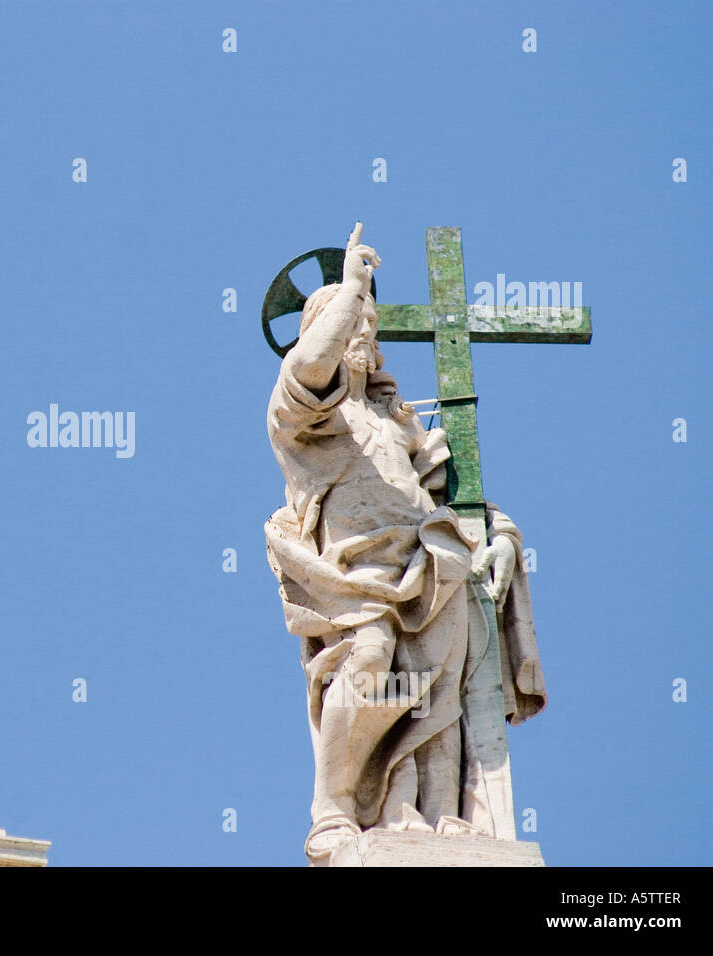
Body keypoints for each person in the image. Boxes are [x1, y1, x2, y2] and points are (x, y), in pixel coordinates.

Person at [264, 224, 545, 863]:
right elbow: (310, 365)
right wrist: (351, 288)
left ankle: (433, 812)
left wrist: (498, 535)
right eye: (343, 321)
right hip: (357, 575)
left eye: (366, 322)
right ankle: (334, 807)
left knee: (437, 689)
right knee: (369, 662)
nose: (360, 329)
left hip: (431, 563)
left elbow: (449, 498)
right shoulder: (304, 416)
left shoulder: (397, 423)